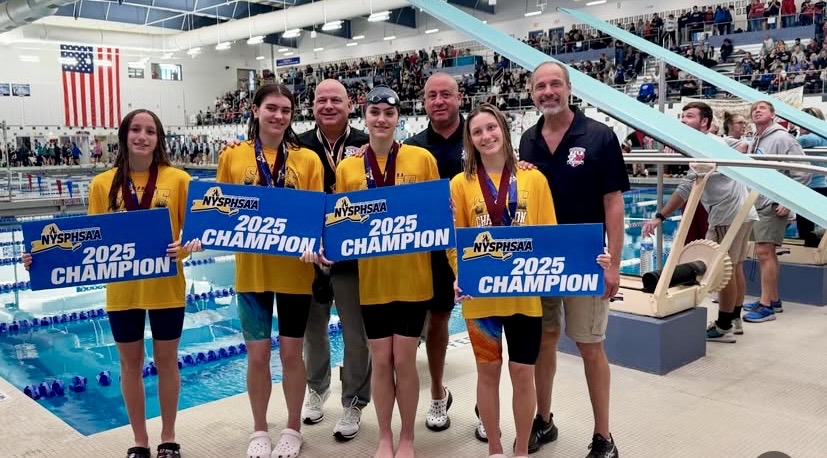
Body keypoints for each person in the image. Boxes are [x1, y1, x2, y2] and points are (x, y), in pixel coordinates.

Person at [24, 109, 201, 458]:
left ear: (159, 139)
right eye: (135, 129)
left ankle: (168, 437)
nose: (142, 136)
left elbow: (196, 234)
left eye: (150, 131)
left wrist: (185, 247)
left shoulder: (179, 179)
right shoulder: (102, 184)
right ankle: (140, 441)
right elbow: (88, 241)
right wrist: (41, 258)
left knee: (167, 362)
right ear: (124, 136)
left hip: (167, 288)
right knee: (130, 365)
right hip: (123, 292)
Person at [449, 103, 614, 458]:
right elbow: (454, 241)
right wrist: (459, 276)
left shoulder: (533, 179)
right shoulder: (460, 184)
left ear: (504, 130)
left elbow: (550, 238)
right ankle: (495, 449)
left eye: (491, 128)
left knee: (523, 373)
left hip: (525, 298)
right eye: (477, 132)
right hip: (480, 299)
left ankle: (522, 450)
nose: (486, 136)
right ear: (470, 140)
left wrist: (591, 260)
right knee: (487, 373)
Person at [309, 86, 440, 458]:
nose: (381, 119)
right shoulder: (349, 168)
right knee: (381, 362)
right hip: (372, 283)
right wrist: (327, 248)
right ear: (364, 117)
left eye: (389, 113)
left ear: (398, 118)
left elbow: (437, 216)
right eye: (375, 112)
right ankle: (384, 436)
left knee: (405, 362)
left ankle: (407, 438)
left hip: (414, 280)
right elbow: (340, 224)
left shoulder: (421, 159)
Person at [518, 61, 628, 458]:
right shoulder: (528, 140)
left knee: (589, 344)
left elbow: (613, 202)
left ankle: (604, 436)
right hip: (542, 258)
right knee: (544, 340)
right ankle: (543, 420)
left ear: (569, 88)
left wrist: (614, 262)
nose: (548, 92)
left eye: (555, 84)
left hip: (585, 258)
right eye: (540, 86)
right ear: (532, 93)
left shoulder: (599, 136)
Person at [217, 83, 324, 458]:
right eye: (271, 108)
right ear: (255, 110)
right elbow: (220, 209)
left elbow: (316, 216)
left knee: (292, 355)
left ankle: (293, 428)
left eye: (285, 110)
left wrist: (315, 243)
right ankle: (260, 429)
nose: (278, 116)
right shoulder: (233, 156)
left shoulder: (307, 160)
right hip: (252, 274)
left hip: (295, 273)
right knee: (258, 356)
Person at [642, 101, 758, 342]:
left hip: (728, 214)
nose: (683, 120)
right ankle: (734, 319)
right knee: (734, 267)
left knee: (721, 269)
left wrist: (660, 216)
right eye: (683, 116)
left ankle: (724, 325)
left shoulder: (705, 149)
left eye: (690, 116)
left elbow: (685, 189)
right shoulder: (712, 142)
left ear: (704, 122)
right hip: (740, 211)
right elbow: (741, 144)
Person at [297, 79, 372, 441]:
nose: (328, 105)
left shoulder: (367, 142)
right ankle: (317, 388)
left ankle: (354, 399)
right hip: (309, 253)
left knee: (356, 334)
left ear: (349, 105)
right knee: (313, 331)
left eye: (336, 100)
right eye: (321, 100)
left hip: (352, 256)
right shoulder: (296, 145)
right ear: (312, 105)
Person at [403, 72, 465, 432]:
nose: (439, 101)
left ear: (459, 98)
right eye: (431, 96)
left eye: (446, 94)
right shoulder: (411, 146)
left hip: (466, 246)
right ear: (424, 102)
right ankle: (434, 392)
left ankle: (440, 393)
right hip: (421, 248)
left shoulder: (476, 137)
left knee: (444, 320)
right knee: (415, 323)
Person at [742, 100, 811, 323]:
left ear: (773, 114)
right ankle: (773, 299)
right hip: (758, 201)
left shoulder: (782, 138)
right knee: (767, 252)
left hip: (773, 203)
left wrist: (788, 200)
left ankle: (766, 306)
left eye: (762, 108)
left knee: (764, 252)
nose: (757, 111)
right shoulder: (756, 139)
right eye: (754, 109)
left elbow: (803, 171)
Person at [793, 107, 827, 248]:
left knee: (810, 233)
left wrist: (786, 140)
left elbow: (802, 141)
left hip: (815, 187)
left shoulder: (817, 136)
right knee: (808, 233)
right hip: (811, 187)